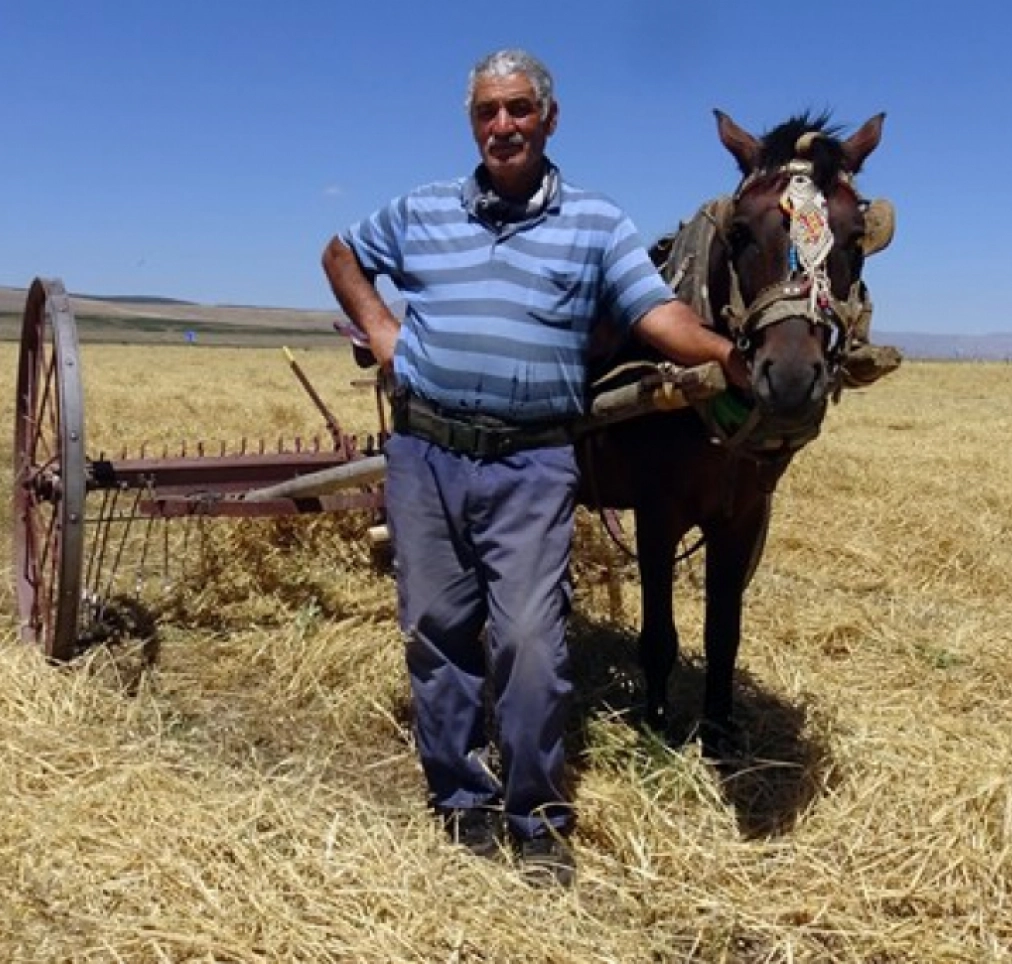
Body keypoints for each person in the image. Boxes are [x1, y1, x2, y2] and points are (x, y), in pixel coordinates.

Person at [321, 48, 748, 887]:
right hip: (425, 451)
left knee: (528, 641)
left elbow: (656, 313)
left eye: (518, 109)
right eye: (487, 112)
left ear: (549, 120)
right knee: (438, 634)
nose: (502, 125)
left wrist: (729, 357)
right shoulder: (423, 209)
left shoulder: (595, 223)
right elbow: (342, 252)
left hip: (529, 462)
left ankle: (537, 816)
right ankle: (459, 801)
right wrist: (379, 328)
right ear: (472, 122)